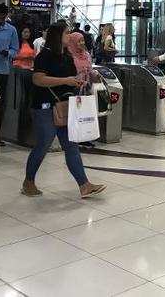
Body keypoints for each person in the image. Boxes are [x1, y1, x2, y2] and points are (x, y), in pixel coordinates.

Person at [23, 23, 106, 199]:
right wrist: (65, 80)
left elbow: (69, 78)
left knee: (71, 145)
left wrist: (77, 81)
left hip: (64, 105)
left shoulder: (67, 57)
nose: (70, 35)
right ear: (57, 35)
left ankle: (84, 185)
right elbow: (38, 79)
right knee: (44, 143)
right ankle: (28, 181)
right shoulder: (44, 56)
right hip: (44, 105)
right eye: (67, 33)